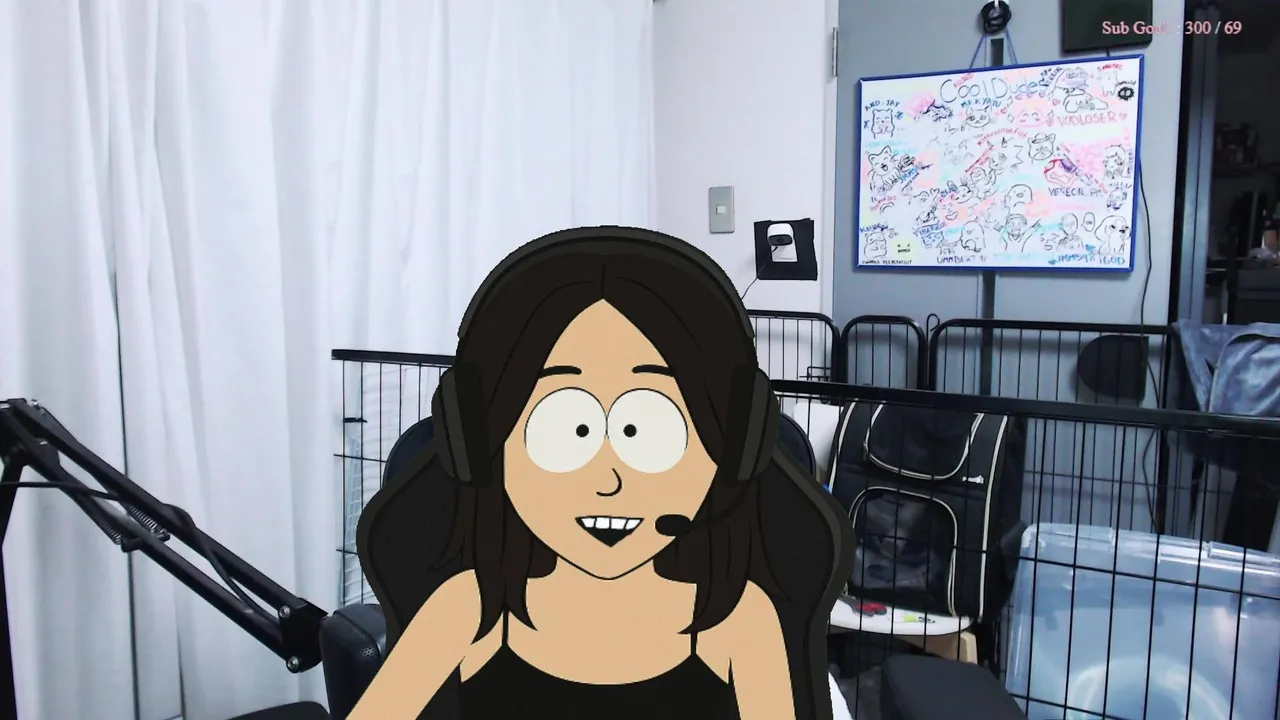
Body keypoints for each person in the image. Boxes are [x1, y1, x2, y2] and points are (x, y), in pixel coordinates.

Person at [352, 226, 832, 719]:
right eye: (565, 429)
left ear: (734, 446)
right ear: (477, 444)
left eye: (647, 430)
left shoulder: (739, 620)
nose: (608, 480)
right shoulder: (468, 609)